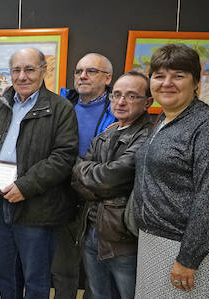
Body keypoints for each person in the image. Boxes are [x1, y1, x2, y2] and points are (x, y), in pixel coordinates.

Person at [0, 48, 79, 299]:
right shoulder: (0, 105)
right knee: (3, 274)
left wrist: (25, 187)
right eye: (16, 70)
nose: (22, 76)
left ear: (43, 71)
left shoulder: (61, 109)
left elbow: (63, 158)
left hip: (36, 208)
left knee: (35, 278)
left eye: (29, 69)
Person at [133, 43, 209, 298]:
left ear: (196, 82)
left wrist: (188, 258)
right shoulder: (165, 118)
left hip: (187, 248)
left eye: (178, 75)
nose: (167, 83)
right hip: (155, 241)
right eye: (159, 76)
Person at [71, 71, 153, 299]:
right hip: (91, 229)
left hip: (123, 237)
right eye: (116, 95)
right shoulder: (106, 135)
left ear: (148, 102)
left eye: (131, 96)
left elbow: (110, 178)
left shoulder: (148, 137)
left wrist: (93, 178)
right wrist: (98, 182)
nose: (120, 102)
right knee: (97, 294)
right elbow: (77, 178)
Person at [53, 53, 117, 299]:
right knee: (62, 269)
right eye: (79, 71)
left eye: (91, 71)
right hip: (63, 197)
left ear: (107, 77)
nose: (82, 76)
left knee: (97, 274)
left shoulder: (119, 109)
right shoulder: (62, 104)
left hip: (99, 202)